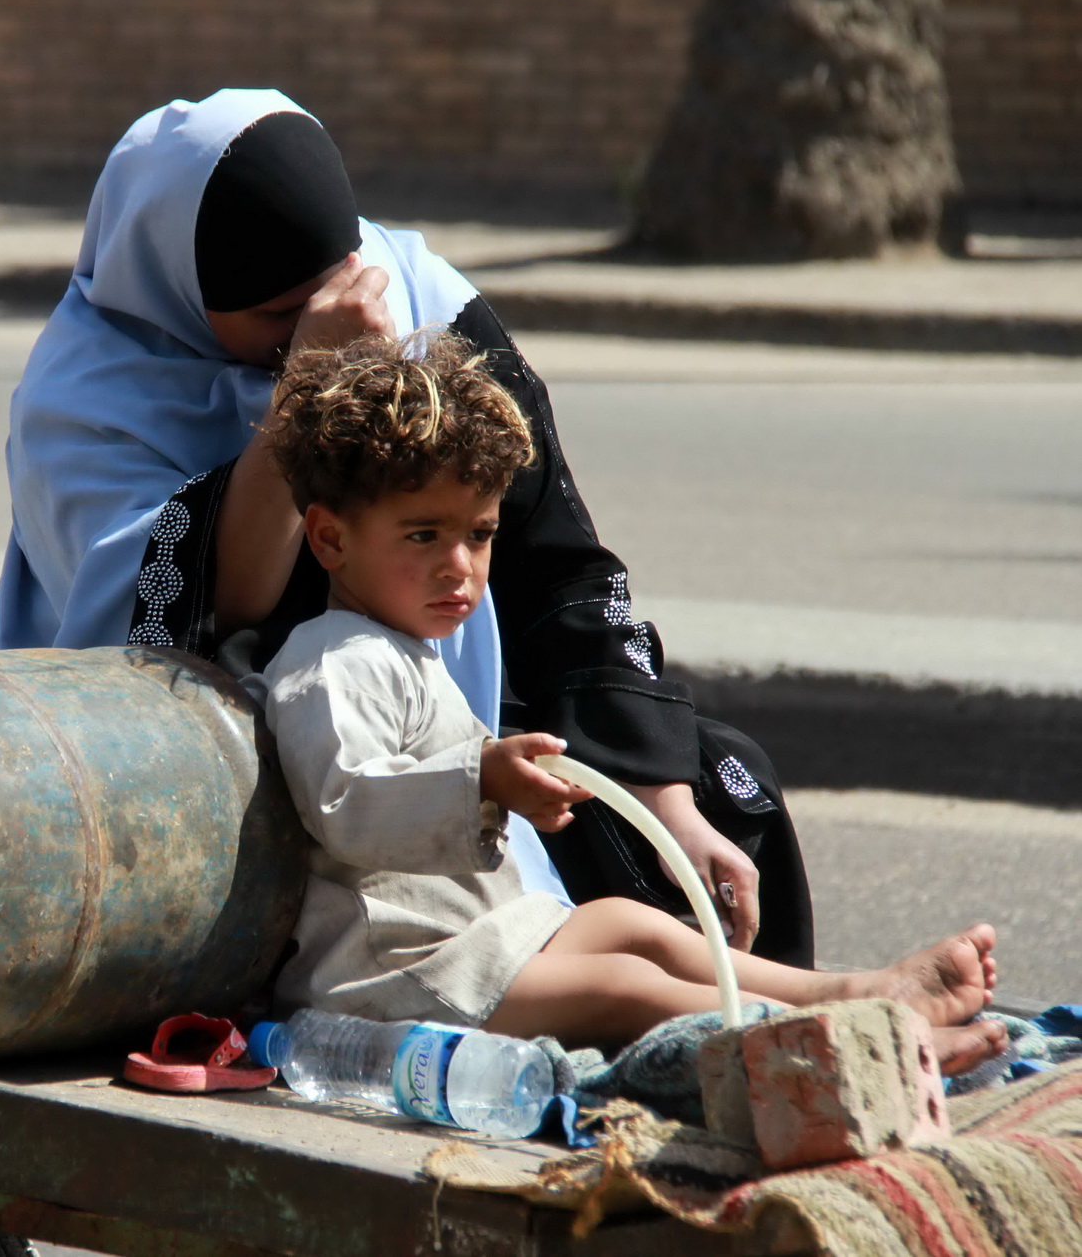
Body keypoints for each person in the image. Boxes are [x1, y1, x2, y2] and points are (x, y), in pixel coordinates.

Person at [0, 87, 812, 965]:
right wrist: (304, 385)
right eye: (279, 315)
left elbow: (556, 564)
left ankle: (798, 1023)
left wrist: (664, 801)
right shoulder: (80, 406)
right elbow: (188, 622)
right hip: (258, 762)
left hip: (452, 713)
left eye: (336, 281)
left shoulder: (417, 299)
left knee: (723, 803)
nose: (332, 318)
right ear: (175, 285)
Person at [248, 332, 1005, 1069]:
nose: (460, 566)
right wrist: (481, 782)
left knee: (631, 925)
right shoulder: (331, 662)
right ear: (330, 539)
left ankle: (853, 992)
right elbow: (343, 803)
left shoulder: (398, 649)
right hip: (393, 977)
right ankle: (857, 1043)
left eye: (479, 535)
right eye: (423, 536)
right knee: (623, 985)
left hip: (474, 943)